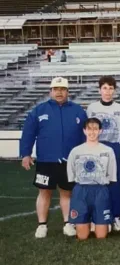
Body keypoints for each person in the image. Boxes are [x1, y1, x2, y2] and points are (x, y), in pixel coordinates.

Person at [20, 76, 87, 238]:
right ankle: (42, 225)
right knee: (44, 192)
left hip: (69, 161)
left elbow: (86, 135)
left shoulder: (78, 110)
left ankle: (67, 223)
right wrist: (25, 154)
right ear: (50, 91)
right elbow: (28, 133)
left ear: (67, 92)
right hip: (46, 160)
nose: (59, 92)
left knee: (66, 193)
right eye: (56, 89)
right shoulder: (39, 110)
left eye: (62, 89)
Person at [86, 76, 120, 231]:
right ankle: (96, 217)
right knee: (96, 182)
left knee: (115, 184)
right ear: (99, 90)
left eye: (110, 88)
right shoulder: (92, 108)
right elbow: (88, 129)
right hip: (97, 147)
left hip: (114, 148)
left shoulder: (119, 108)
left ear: (114, 90)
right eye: (105, 88)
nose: (107, 91)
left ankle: (116, 217)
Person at [67, 118, 117, 240]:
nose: (92, 132)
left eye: (95, 129)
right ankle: (86, 221)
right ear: (84, 131)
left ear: (100, 131)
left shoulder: (108, 151)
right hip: (81, 191)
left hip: (100, 190)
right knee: (82, 236)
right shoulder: (76, 151)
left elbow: (111, 175)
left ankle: (98, 222)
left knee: (101, 236)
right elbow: (72, 174)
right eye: (89, 129)